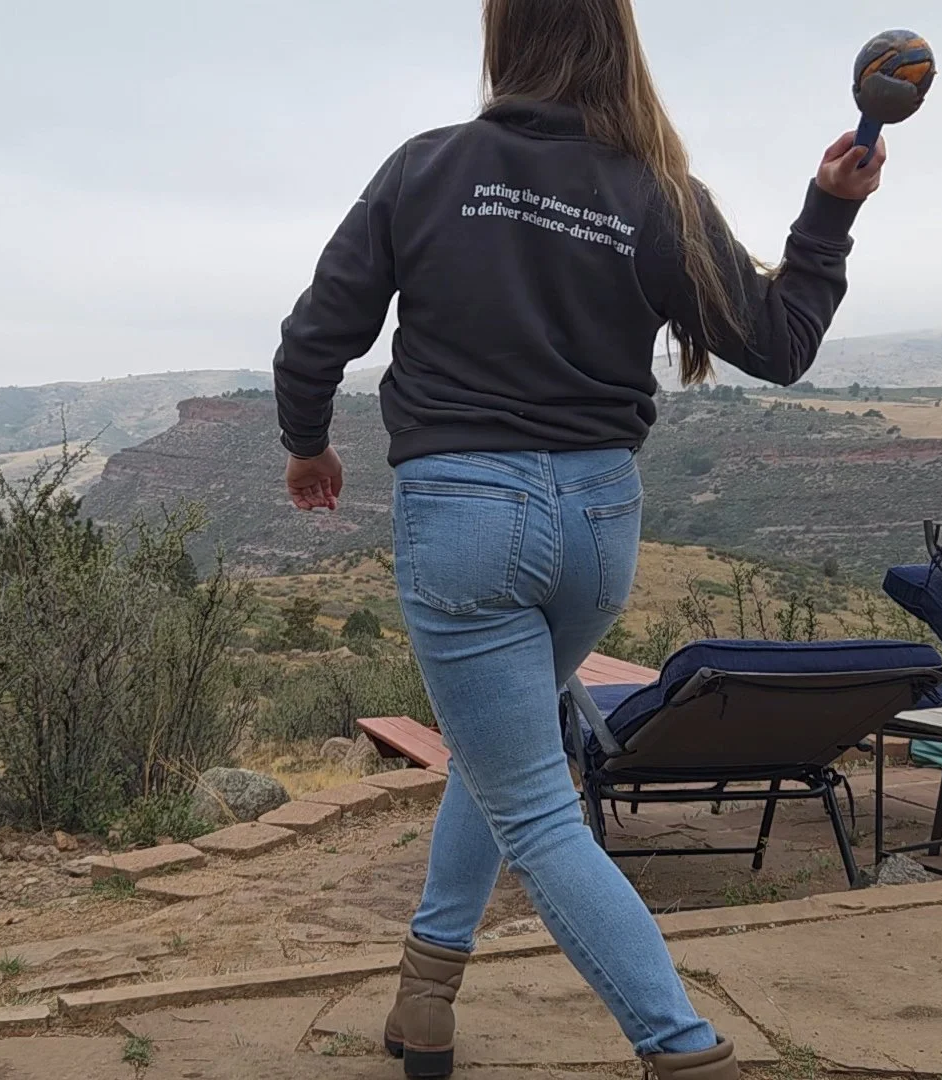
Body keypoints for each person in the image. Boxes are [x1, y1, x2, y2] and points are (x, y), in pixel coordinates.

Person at [271, 2, 884, 1076]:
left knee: (537, 812)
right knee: (502, 755)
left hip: (466, 523)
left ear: (506, 37)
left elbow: (317, 333)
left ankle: (682, 1046)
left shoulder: (427, 168)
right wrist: (827, 215)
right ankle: (425, 996)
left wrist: (309, 446)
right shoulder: (657, 192)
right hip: (597, 525)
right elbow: (780, 344)